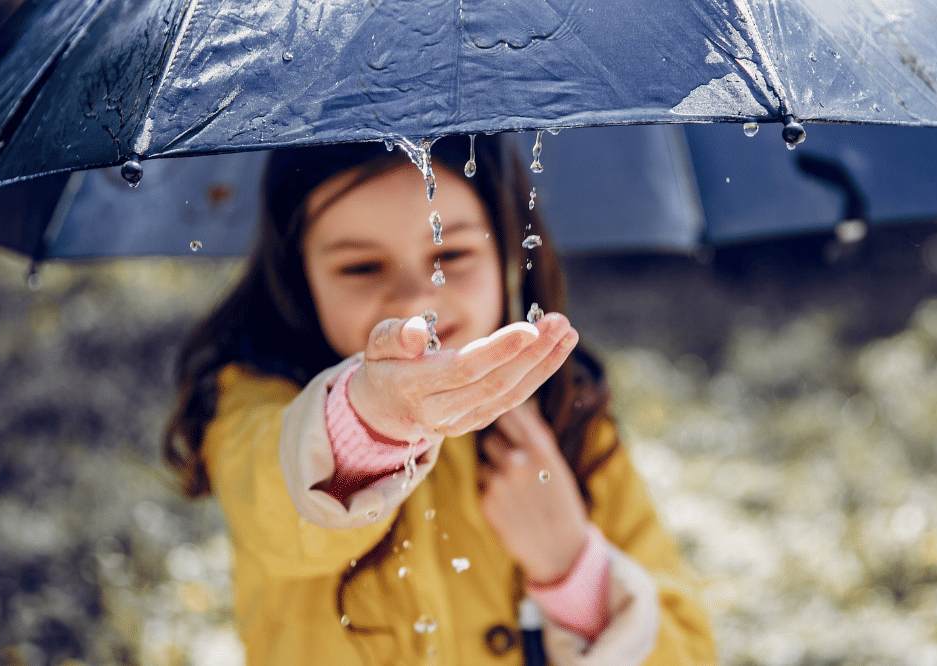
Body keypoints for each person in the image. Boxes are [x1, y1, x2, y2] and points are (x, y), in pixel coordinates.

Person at [162, 134, 716, 665]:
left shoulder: (569, 421)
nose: (414, 301)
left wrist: (571, 568)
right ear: (298, 276)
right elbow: (275, 508)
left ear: (507, 251)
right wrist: (369, 422)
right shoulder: (255, 407)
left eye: (449, 253)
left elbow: (689, 652)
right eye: (360, 265)